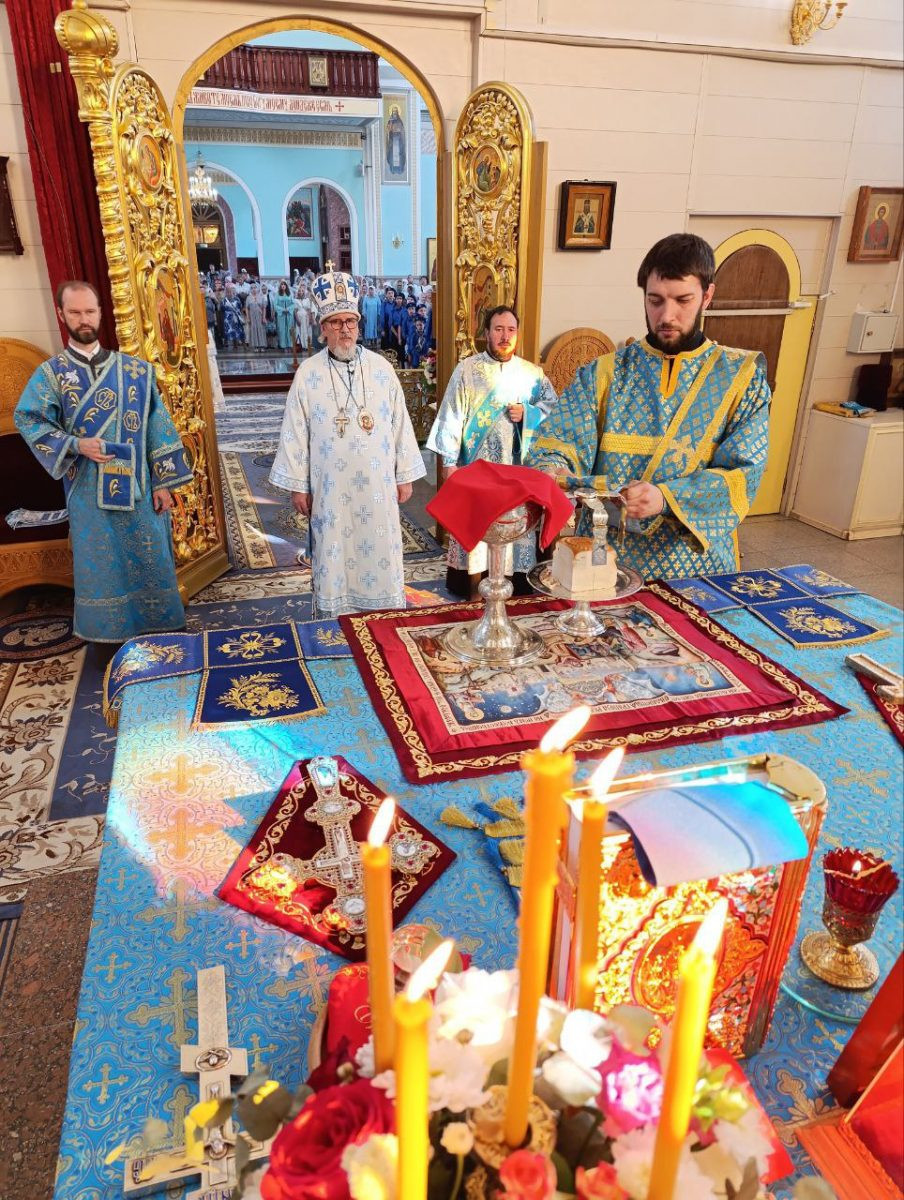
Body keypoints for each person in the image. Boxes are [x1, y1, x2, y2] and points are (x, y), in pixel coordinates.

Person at [528, 233, 770, 579]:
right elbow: (560, 441)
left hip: (698, 566)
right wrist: (555, 469)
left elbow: (744, 475)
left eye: (682, 300)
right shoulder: (603, 373)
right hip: (606, 560)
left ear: (707, 296)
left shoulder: (741, 377)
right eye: (655, 300)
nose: (666, 316)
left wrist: (667, 498)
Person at [14, 280, 193, 645]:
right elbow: (28, 419)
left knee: (150, 557)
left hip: (140, 487)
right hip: (88, 490)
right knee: (103, 566)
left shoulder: (135, 371)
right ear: (62, 314)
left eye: (90, 311)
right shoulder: (51, 374)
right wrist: (76, 444)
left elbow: (157, 428)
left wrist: (163, 483)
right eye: (75, 312)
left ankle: (161, 632)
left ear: (100, 313)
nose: (84, 319)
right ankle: (108, 638)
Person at [270, 268, 425, 617]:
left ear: (358, 324)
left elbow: (400, 423)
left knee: (380, 549)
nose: (345, 329)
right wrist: (298, 486)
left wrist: (404, 475)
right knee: (334, 551)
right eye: (336, 322)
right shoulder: (308, 374)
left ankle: (383, 617)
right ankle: (333, 620)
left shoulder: (382, 369)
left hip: (378, 488)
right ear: (323, 328)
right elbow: (295, 431)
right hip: (330, 490)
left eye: (350, 321)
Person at [426, 305, 558, 598]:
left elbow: (555, 410)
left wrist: (529, 413)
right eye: (498, 329)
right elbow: (452, 415)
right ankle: (472, 584)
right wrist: (449, 462)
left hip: (516, 471)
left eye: (511, 330)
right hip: (478, 470)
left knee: (514, 525)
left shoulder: (532, 374)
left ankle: (516, 582)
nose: (505, 336)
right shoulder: (467, 370)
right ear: (486, 333)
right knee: (478, 525)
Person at [221, 282, 244, 350]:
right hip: (228, 318)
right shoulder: (224, 300)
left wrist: (238, 314)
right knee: (232, 331)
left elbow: (240, 306)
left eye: (230, 291)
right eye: (227, 291)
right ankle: (235, 345)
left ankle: (244, 346)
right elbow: (222, 308)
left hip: (236, 317)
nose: (229, 293)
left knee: (240, 331)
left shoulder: (237, 298)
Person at [274, 280, 296, 352]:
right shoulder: (277, 294)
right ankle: (284, 346)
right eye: (282, 284)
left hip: (289, 315)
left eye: (284, 284)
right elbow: (275, 305)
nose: (283, 286)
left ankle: (290, 345)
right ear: (280, 286)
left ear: (286, 286)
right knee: (282, 330)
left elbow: (293, 304)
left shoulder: (290, 293)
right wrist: (282, 309)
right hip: (281, 315)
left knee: (289, 330)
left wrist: (288, 309)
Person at [246, 282, 268, 351]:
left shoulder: (261, 297)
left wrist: (264, 317)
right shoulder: (248, 298)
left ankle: (262, 345)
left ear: (257, 289)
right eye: (252, 288)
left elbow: (264, 308)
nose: (253, 289)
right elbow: (247, 308)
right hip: (252, 316)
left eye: (255, 288)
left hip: (260, 316)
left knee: (261, 330)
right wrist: (248, 318)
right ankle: (255, 346)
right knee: (254, 330)